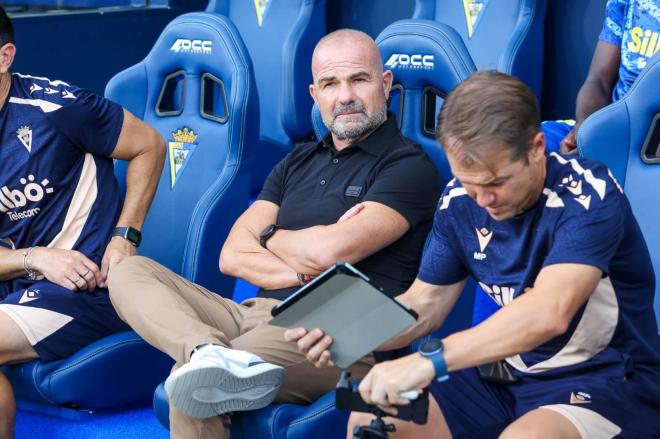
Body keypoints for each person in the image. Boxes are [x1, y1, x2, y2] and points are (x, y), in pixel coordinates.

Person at [108, 29, 440, 439]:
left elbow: (326, 251)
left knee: (193, 385)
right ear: (314, 94)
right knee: (129, 271)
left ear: (385, 85)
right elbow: (231, 255)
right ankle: (205, 350)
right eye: (331, 84)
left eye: (359, 79)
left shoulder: (407, 166)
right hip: (253, 312)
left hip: (333, 336)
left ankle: (207, 363)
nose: (346, 96)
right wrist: (304, 270)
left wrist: (268, 235)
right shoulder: (297, 161)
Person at [291, 71, 660, 439]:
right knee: (375, 422)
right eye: (469, 183)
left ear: (536, 149)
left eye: (497, 182)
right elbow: (425, 304)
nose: (483, 200)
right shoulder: (459, 201)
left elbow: (551, 311)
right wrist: (347, 332)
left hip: (606, 379)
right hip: (505, 376)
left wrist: (428, 360)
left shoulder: (588, 192)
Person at [0, 7, 165, 439]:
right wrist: (33, 258)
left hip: (85, 288)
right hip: (24, 279)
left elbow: (150, 144)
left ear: (4, 57)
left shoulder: (55, 107)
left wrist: (125, 236)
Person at [550, 0, 660, 153]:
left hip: (646, 147)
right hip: (611, 129)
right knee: (524, 145)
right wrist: (585, 132)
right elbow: (598, 81)